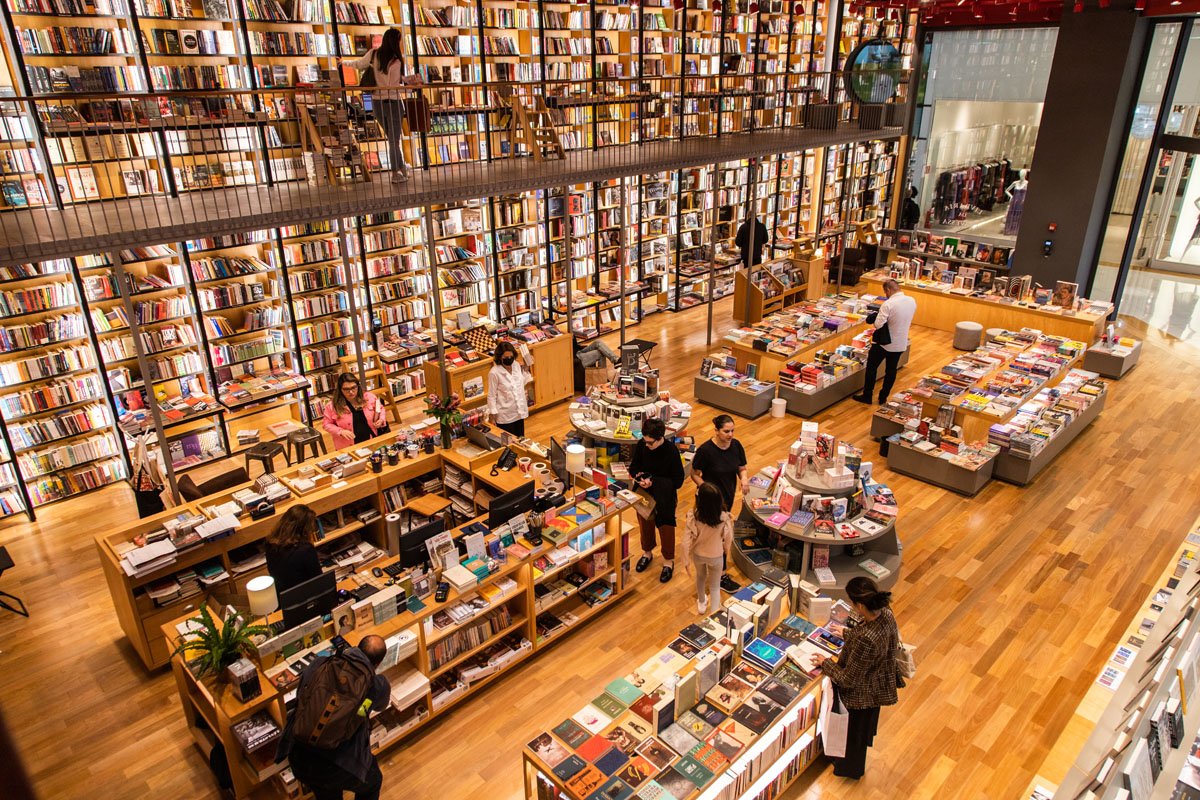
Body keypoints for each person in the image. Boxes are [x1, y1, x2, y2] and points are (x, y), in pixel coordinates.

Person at [277, 635, 391, 800]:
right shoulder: (377, 685)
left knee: (327, 793)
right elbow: (380, 706)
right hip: (338, 764)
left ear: (357, 648)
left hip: (298, 754)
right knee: (372, 783)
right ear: (378, 663)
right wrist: (361, 708)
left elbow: (302, 693)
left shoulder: (320, 663)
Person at [809, 577, 902, 779]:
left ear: (859, 605)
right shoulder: (885, 613)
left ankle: (847, 770)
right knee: (860, 735)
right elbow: (878, 638)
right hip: (877, 685)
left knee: (852, 738)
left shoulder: (866, 639)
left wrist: (825, 663)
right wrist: (849, 634)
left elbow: (848, 679)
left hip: (861, 697)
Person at [346, 28, 414, 183]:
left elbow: (359, 64)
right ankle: (396, 172)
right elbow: (393, 85)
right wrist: (410, 84)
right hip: (393, 103)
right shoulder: (396, 61)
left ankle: (401, 167)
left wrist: (344, 62)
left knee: (391, 138)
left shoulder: (374, 54)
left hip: (377, 103)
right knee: (393, 140)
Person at [691, 414, 748, 593]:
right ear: (716, 431)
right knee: (716, 536)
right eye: (726, 431)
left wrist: (744, 480)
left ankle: (716, 569)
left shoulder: (736, 445)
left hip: (727, 499)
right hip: (709, 502)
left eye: (732, 431)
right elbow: (694, 474)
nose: (730, 435)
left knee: (721, 535)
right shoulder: (705, 451)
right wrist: (708, 490)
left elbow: (741, 467)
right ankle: (720, 575)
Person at [630, 417, 685, 583]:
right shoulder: (642, 445)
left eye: (650, 442)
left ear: (661, 438)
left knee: (666, 527)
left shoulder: (671, 452)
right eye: (645, 441)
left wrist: (654, 481)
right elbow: (634, 467)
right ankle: (647, 553)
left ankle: (668, 561)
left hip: (665, 497)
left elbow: (678, 481)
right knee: (644, 524)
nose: (647, 445)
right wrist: (639, 477)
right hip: (644, 495)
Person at [853, 278, 916, 405]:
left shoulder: (888, 304)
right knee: (891, 371)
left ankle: (867, 395)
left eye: (885, 292)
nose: (886, 295)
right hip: (900, 343)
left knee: (871, 368)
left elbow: (877, 325)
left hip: (884, 344)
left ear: (888, 290)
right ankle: (883, 398)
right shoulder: (911, 301)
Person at [681, 482, 733, 614]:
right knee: (715, 586)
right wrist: (727, 550)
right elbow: (729, 537)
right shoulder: (724, 518)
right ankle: (715, 612)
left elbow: (685, 541)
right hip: (716, 555)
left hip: (698, 555)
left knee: (700, 577)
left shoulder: (694, 516)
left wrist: (685, 560)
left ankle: (702, 603)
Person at [265, 505, 321, 595]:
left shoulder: (270, 544)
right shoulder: (305, 549)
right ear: (304, 529)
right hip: (304, 595)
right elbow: (318, 579)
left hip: (282, 596)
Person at [323, 372, 388, 450]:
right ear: (340, 390)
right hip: (348, 445)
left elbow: (380, 409)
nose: (351, 392)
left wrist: (381, 419)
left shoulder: (369, 397)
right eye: (346, 389)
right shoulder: (332, 406)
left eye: (353, 387)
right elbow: (326, 424)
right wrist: (340, 431)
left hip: (371, 439)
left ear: (358, 386)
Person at [486, 341, 531, 436]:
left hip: (518, 412)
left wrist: (526, 368)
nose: (509, 360)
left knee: (520, 441)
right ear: (499, 358)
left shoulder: (516, 365)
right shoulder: (494, 373)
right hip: (505, 416)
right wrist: (492, 415)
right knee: (509, 445)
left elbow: (520, 383)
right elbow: (491, 396)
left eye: (511, 357)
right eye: (506, 358)